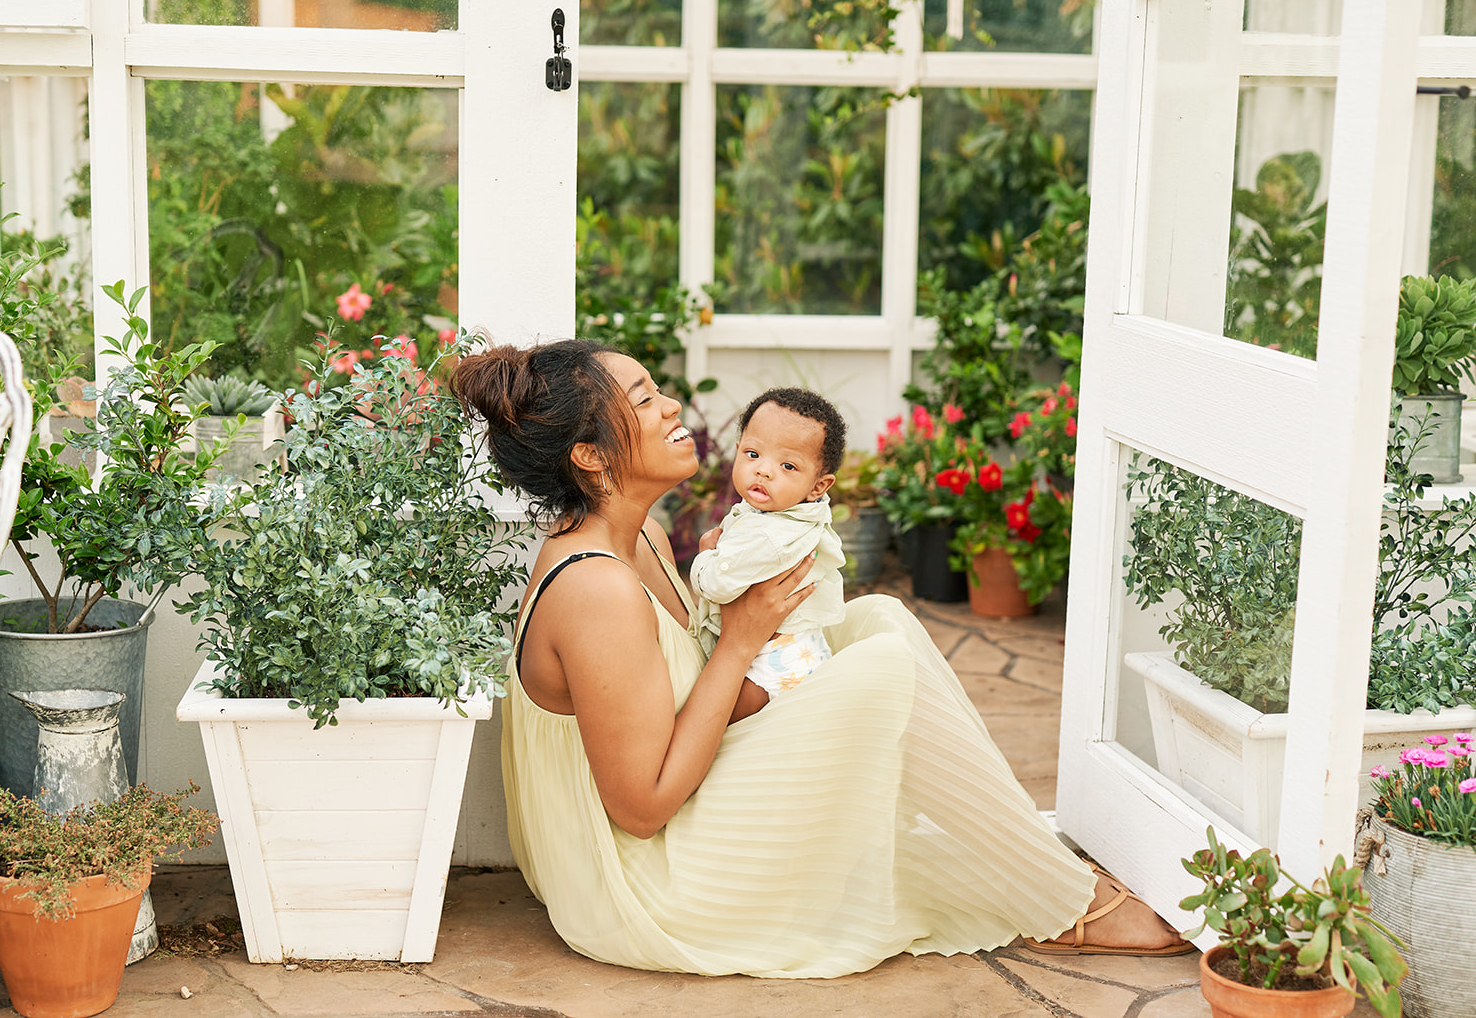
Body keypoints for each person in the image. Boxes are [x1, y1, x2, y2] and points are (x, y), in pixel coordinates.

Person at [452, 337, 1191, 978]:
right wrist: (742, 641)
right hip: (646, 888)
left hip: (676, 818)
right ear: (589, 454)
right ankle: (1063, 899)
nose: (673, 404)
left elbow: (682, 680)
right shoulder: (595, 586)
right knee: (882, 669)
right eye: (645, 400)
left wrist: (751, 635)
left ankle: (1035, 865)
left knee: (876, 621)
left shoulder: (635, 534)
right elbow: (641, 808)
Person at [690, 387, 848, 722]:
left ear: (818, 486)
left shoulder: (770, 534)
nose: (764, 470)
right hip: (792, 649)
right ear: (737, 451)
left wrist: (705, 555)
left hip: (773, 663)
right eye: (752, 454)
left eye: (788, 465)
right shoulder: (790, 510)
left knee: (718, 727)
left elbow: (718, 584)